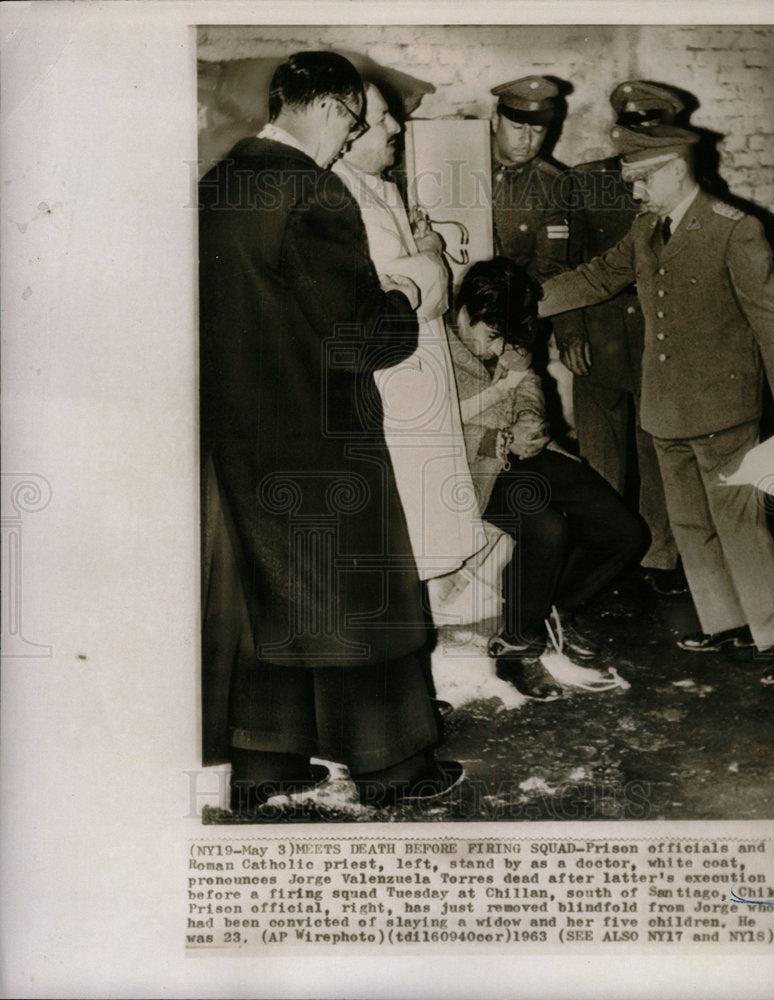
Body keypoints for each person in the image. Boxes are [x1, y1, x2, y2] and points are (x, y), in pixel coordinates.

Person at [199, 51, 462, 813]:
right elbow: (358, 338)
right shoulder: (311, 193)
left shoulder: (219, 182)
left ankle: (264, 766)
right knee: (362, 599)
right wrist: (410, 292)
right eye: (350, 121)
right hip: (321, 431)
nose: (348, 140)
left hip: (240, 435)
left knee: (271, 601)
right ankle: (396, 770)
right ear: (327, 106)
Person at [538, 125, 774, 678]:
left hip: (724, 406)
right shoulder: (647, 227)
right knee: (691, 524)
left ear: (677, 168)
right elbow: (598, 277)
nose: (635, 194)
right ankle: (727, 624)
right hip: (666, 407)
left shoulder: (735, 229)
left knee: (739, 523)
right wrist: (517, 302)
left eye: (642, 181)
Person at [447, 259, 646, 699]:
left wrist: (530, 417)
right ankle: (517, 642)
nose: (500, 349)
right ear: (464, 314)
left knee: (626, 531)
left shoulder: (505, 330)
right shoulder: (431, 344)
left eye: (506, 339)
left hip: (525, 452)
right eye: (492, 336)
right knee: (547, 529)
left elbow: (527, 381)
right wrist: (501, 439)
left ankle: (555, 608)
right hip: (472, 468)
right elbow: (432, 430)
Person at [332, 84, 486, 589]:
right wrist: (430, 253)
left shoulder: (381, 184)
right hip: (393, 372)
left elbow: (416, 284)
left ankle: (439, 600)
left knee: (434, 490)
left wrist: (423, 257)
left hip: (423, 364)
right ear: (349, 133)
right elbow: (395, 285)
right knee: (410, 498)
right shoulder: (338, 189)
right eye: (381, 120)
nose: (396, 128)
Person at [561, 81, 686, 596]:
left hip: (659, 344)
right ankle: (604, 558)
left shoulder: (682, 188)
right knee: (600, 459)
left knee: (658, 454)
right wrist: (568, 331)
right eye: (629, 126)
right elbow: (566, 264)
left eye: (650, 125)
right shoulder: (584, 183)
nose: (637, 137)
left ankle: (659, 559)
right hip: (598, 341)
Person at [488, 76, 589, 391]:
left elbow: (551, 268)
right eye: (518, 128)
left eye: (538, 131)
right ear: (495, 120)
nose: (526, 140)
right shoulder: (456, 159)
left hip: (513, 320)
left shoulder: (553, 185)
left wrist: (567, 332)